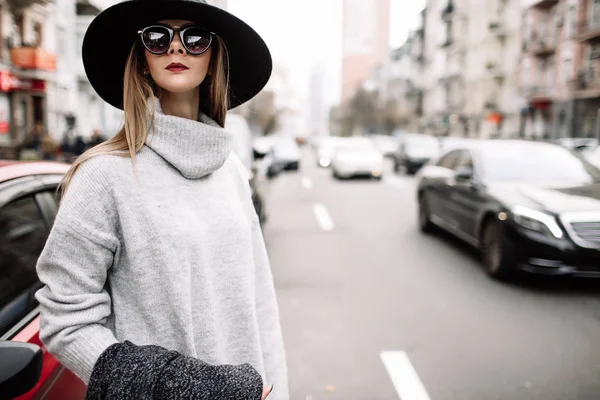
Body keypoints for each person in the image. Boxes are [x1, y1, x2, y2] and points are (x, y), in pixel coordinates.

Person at [35, 0, 288, 398]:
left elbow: (260, 303)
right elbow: (64, 321)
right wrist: (180, 386)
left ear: (214, 56)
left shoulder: (232, 170)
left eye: (195, 37)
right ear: (141, 61)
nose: (175, 47)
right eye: (157, 37)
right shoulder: (103, 176)